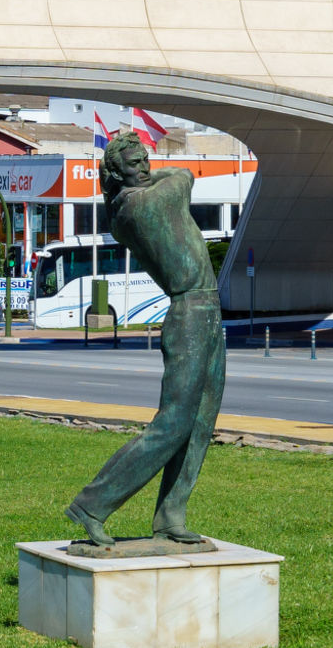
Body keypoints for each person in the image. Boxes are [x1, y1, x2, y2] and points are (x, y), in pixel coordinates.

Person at [64, 130, 225, 548]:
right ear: (116, 172)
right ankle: (92, 504)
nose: (146, 167)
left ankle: (172, 515)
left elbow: (175, 174)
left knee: (201, 422)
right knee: (173, 422)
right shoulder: (139, 205)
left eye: (145, 160)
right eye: (135, 164)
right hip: (189, 310)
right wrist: (155, 177)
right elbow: (184, 175)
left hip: (207, 309)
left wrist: (145, 172)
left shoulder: (131, 201)